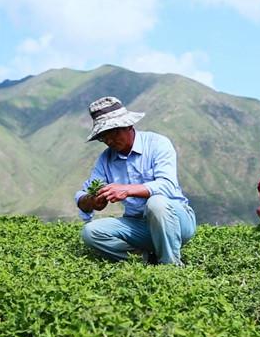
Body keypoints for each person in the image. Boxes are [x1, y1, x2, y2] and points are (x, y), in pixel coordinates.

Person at [76, 96, 196, 266]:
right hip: (139, 225)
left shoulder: (157, 144)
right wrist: (92, 200)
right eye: (103, 136)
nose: (109, 141)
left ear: (129, 125)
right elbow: (83, 195)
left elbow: (167, 185)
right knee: (91, 232)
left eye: (114, 133)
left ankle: (171, 266)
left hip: (175, 221)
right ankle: (146, 261)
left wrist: (127, 189)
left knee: (156, 203)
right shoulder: (105, 159)